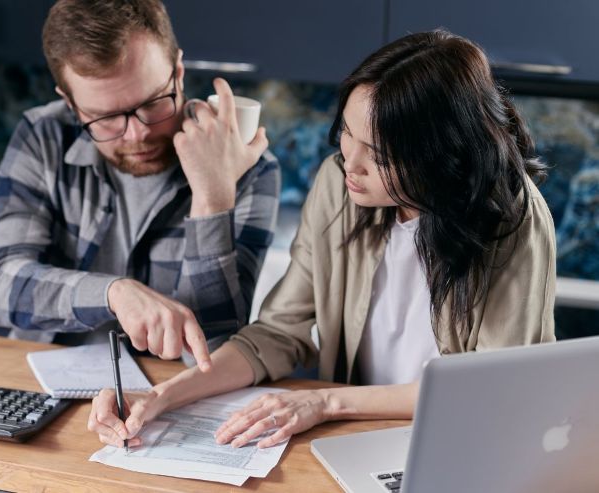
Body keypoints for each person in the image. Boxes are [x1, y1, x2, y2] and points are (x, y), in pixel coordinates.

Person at [87, 30, 557, 449]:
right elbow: (276, 333)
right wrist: (161, 396)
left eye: (378, 154)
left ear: (440, 156)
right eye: (348, 134)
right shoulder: (338, 185)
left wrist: (325, 402)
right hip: (354, 440)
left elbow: (489, 388)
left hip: (461, 443)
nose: (349, 162)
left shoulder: (513, 218)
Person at [0, 0, 280, 370]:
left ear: (178, 72)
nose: (138, 134)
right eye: (104, 117)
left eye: (153, 103)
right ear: (70, 104)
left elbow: (216, 350)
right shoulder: (44, 136)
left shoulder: (249, 166)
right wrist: (114, 294)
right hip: (44, 379)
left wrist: (211, 199)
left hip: (170, 395)